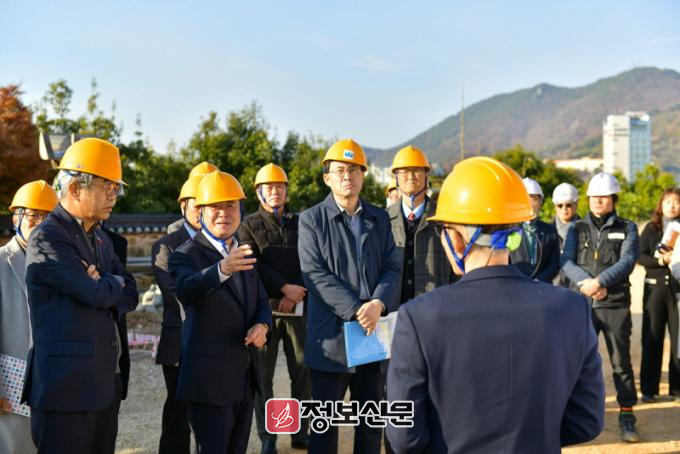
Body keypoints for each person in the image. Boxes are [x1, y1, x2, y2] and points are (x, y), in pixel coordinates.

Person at [386, 157, 605, 453]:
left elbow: (403, 437)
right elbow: (586, 421)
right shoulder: (571, 309)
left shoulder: (419, 317)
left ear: (456, 240)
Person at [22, 138, 138, 454]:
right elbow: (94, 293)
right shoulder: (47, 237)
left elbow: (131, 293)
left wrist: (107, 282)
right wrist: (110, 285)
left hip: (103, 385)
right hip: (65, 390)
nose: (114, 196)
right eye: (107, 188)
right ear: (75, 189)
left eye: (116, 189)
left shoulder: (100, 238)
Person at [298, 138, 401, 454]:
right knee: (324, 428)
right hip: (331, 337)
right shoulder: (311, 220)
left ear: (363, 175)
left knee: (370, 426)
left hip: (371, 335)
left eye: (355, 170)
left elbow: (392, 267)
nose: (348, 176)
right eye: (340, 170)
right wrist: (358, 309)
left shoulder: (379, 218)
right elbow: (314, 274)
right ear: (327, 177)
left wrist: (378, 303)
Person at [169, 170, 272, 454]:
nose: (224, 213)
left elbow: (261, 300)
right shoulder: (185, 254)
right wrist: (221, 269)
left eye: (231, 205)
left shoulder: (244, 252)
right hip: (208, 382)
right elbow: (186, 291)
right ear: (201, 212)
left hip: (244, 377)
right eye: (216, 206)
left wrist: (263, 325)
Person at [561, 171, 641, 443]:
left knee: (621, 363)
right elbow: (566, 261)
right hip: (582, 304)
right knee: (576, 362)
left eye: (603, 196)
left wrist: (600, 282)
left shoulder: (628, 227)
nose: (597, 200)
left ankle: (627, 415)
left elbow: (627, 261)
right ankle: (570, 415)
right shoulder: (576, 228)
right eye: (594, 196)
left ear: (613, 199)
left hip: (614, 304)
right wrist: (588, 284)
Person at [239, 163, 310, 454]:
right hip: (263, 310)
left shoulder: (302, 222)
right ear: (259, 191)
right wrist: (283, 287)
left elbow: (312, 259)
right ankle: (268, 437)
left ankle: (299, 432)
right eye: (269, 187)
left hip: (298, 306)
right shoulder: (247, 225)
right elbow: (253, 264)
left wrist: (296, 289)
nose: (275, 191)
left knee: (302, 370)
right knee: (263, 375)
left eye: (280, 186)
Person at [151, 174, 208, 454]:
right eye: (196, 205)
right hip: (180, 339)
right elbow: (174, 294)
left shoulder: (223, 242)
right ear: (183, 205)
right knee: (178, 412)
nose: (202, 211)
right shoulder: (166, 245)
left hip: (217, 341)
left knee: (212, 413)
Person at [0, 180, 58, 454]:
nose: (40, 223)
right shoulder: (1, 262)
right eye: (33, 215)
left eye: (48, 217)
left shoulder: (63, 265)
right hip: (12, 385)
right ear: (17, 218)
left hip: (57, 384)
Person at [637, 187, 680, 402]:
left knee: (678, 341)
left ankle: (677, 389)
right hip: (654, 289)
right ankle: (648, 389)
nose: (672, 205)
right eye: (668, 201)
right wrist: (661, 260)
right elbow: (639, 256)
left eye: (677, 202)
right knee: (652, 338)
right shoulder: (651, 228)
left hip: (677, 291)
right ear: (661, 205)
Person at [509, 177, 560, 282]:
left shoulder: (550, 231)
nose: (529, 203)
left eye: (534, 199)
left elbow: (554, 264)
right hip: (516, 285)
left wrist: (539, 280)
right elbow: (504, 261)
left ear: (541, 201)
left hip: (542, 287)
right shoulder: (509, 230)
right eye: (524, 199)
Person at [167, 162, 219, 234]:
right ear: (183, 205)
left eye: (213, 205)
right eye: (197, 206)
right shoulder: (176, 229)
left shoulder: (231, 230)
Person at [552, 182, 580, 286]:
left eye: (568, 205)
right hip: (552, 288)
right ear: (555, 206)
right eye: (560, 205)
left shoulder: (587, 230)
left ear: (576, 204)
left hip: (578, 287)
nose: (564, 209)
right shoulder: (546, 232)